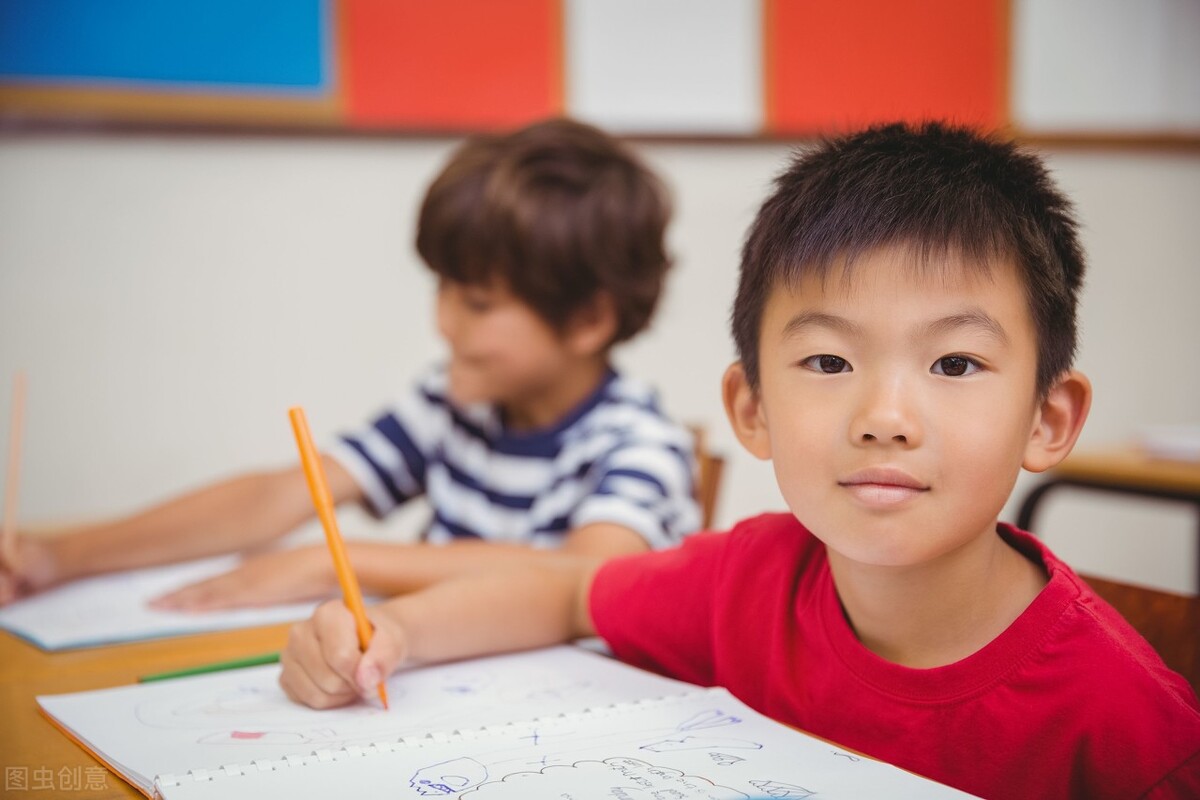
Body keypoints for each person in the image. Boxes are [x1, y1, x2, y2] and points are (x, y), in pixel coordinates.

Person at [279, 122, 1200, 799]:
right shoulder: (746, 581)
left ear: (1049, 417)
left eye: (955, 363)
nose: (885, 417)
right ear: (749, 408)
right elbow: (565, 591)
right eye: (829, 362)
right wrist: (393, 633)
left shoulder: (1132, 730)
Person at [0, 118, 700, 610]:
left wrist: (339, 561)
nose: (444, 323)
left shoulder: (641, 443)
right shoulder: (451, 406)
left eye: (479, 303)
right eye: (443, 291)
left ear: (588, 319)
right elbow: (279, 496)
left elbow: (584, 572)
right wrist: (61, 557)